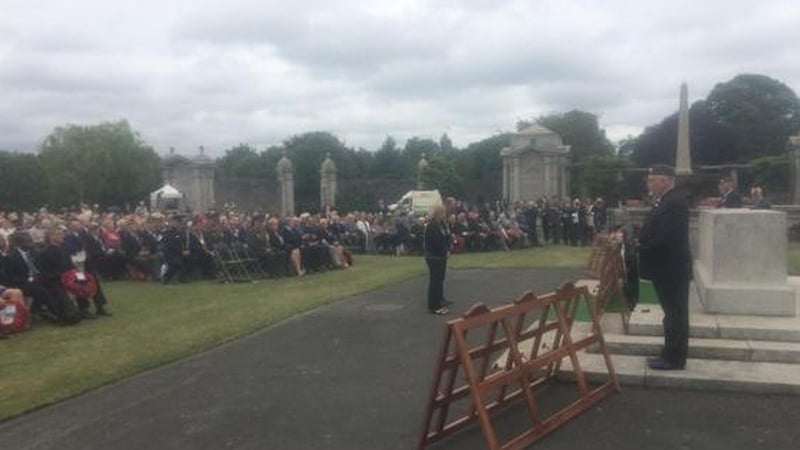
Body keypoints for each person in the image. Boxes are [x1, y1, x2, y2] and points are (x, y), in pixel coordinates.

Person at [638, 164, 691, 370]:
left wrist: (641, 247)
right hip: (666, 268)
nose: (649, 183)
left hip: (671, 268)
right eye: (649, 179)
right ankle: (669, 354)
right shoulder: (665, 200)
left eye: (653, 179)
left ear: (667, 180)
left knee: (676, 314)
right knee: (671, 314)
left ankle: (674, 359)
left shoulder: (675, 202)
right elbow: (654, 228)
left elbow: (666, 237)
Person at [424, 206, 451, 315]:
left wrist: (447, 249)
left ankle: (439, 301)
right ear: (438, 214)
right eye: (442, 213)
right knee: (435, 281)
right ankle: (434, 306)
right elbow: (435, 242)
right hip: (434, 257)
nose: (444, 215)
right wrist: (444, 251)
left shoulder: (441, 224)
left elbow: (446, 237)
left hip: (441, 256)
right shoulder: (432, 226)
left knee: (439, 279)